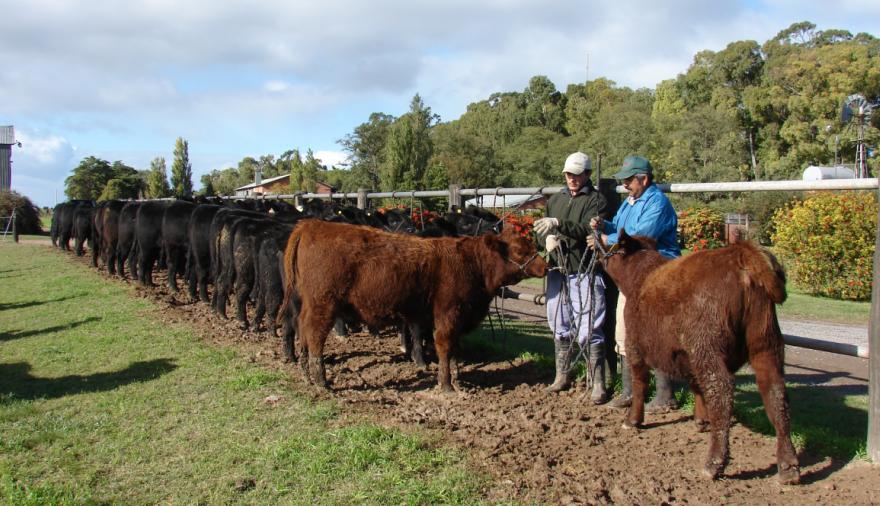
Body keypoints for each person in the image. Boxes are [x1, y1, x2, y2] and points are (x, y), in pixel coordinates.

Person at [588, 155, 681, 412]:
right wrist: (604, 224)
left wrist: (605, 239)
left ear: (644, 179)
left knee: (657, 332)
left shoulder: (657, 203)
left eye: (629, 180)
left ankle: (665, 395)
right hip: (633, 275)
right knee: (625, 331)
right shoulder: (630, 202)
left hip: (658, 275)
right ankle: (630, 392)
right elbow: (619, 226)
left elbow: (641, 236)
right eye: (624, 180)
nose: (625, 184)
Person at [533, 152, 609, 402]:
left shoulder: (596, 200)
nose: (572, 179)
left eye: (576, 175)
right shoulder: (555, 199)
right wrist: (546, 240)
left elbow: (588, 229)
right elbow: (540, 229)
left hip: (584, 269)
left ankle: (597, 382)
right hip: (558, 269)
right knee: (559, 322)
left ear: (587, 174)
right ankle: (562, 375)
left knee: (590, 324)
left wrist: (558, 224)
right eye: (568, 174)